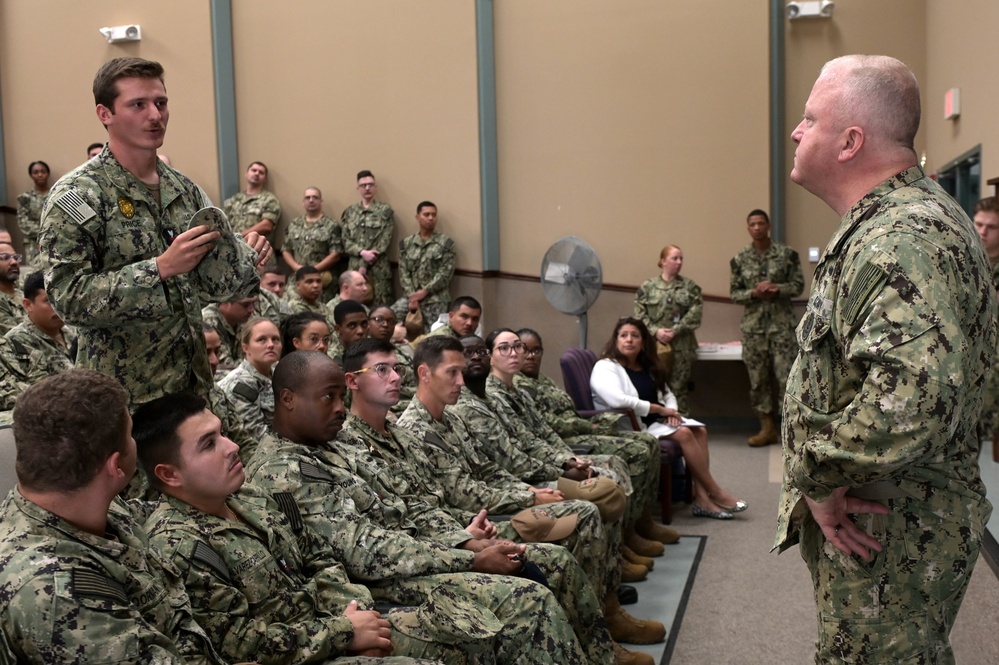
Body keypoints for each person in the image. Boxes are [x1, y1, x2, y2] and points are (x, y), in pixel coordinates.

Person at [775, 54, 998, 664]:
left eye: (809, 119)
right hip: (884, 517)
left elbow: (910, 405)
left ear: (850, 141)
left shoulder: (903, 238)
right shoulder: (890, 225)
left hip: (893, 527)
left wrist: (814, 475)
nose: (796, 131)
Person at [245, 350, 604, 665]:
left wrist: (464, 541)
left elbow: (403, 508)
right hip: (371, 585)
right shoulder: (283, 470)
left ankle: (598, 653)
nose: (340, 407)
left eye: (341, 396)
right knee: (528, 600)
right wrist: (468, 557)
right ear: (288, 399)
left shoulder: (328, 445)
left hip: (414, 557)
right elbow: (364, 551)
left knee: (548, 565)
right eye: (328, 397)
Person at [133, 393, 496, 664]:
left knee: (476, 637)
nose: (231, 447)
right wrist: (341, 635)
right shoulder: (178, 544)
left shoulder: (251, 496)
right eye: (209, 444)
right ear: (169, 474)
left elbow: (316, 556)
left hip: (341, 621)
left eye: (223, 434)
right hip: (303, 653)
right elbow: (236, 642)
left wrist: (353, 614)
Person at [39, 57, 269, 406]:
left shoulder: (185, 190)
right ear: (105, 114)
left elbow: (213, 288)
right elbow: (68, 299)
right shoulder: (78, 195)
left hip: (190, 387)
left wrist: (245, 261)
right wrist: (159, 269)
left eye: (161, 103)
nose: (155, 115)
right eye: (138, 105)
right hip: (125, 397)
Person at [0, 370, 225, 663]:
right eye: (131, 434)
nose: (135, 442)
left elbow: (146, 515)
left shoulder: (83, 500)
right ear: (116, 466)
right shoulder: (57, 593)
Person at [515, 327, 674, 548]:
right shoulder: (518, 384)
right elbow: (550, 424)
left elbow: (567, 412)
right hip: (567, 439)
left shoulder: (542, 379)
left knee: (649, 442)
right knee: (637, 450)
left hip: (575, 431)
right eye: (524, 350)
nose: (531, 356)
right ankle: (626, 534)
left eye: (536, 350)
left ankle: (641, 519)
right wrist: (592, 425)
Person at [591, 317, 746, 520]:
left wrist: (672, 411)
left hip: (654, 423)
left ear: (643, 341)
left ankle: (702, 498)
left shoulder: (647, 365)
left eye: (635, 336)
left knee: (700, 431)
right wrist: (660, 410)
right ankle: (716, 492)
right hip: (629, 426)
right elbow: (618, 399)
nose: (629, 340)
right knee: (684, 434)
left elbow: (668, 394)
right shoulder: (606, 366)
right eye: (623, 335)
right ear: (616, 340)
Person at [729, 209, 804, 447]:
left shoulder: (787, 255)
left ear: (768, 225)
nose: (757, 227)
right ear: (748, 228)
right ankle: (766, 428)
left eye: (761, 223)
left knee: (787, 379)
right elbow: (735, 293)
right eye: (752, 224)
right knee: (757, 380)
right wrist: (753, 292)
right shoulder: (739, 259)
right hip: (754, 329)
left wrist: (777, 289)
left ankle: (789, 428)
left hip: (782, 327)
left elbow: (798, 285)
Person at [634, 244, 702, 413]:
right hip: (655, 347)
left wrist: (676, 330)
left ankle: (683, 425)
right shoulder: (648, 287)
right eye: (674, 258)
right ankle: (658, 425)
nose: (679, 262)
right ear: (663, 261)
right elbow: (639, 314)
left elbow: (696, 313)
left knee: (680, 388)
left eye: (681, 259)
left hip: (682, 347)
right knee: (655, 386)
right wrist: (655, 331)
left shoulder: (690, 287)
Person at [2, 271, 75, 390]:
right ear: (28, 304)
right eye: (49, 301)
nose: (60, 307)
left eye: (63, 299)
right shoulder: (15, 343)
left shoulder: (74, 332)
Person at [218, 316, 281, 447]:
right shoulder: (240, 384)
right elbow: (255, 437)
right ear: (246, 348)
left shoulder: (280, 371)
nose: (270, 345)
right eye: (261, 340)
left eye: (275, 339)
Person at [393, 201, 455, 332]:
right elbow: (403, 271)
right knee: (390, 316)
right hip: (410, 296)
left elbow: (444, 274)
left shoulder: (445, 244)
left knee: (434, 333)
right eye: (426, 215)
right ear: (417, 217)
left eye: (434, 215)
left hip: (435, 298)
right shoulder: (406, 244)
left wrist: (424, 291)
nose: (431, 218)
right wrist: (412, 296)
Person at [340, 170, 395, 306]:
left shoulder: (385, 211)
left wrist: (365, 263)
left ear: (375, 187)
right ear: (358, 188)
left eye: (370, 185)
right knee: (355, 306)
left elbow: (384, 240)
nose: (367, 188)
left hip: (378, 268)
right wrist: (362, 252)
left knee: (380, 307)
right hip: (354, 267)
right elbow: (345, 240)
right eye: (363, 185)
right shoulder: (350, 212)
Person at [972, 196, 999, 450]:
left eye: (991, 227)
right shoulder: (965, 263)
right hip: (969, 379)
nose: (983, 232)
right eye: (979, 224)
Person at [282, 187, 342, 297]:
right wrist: (296, 268)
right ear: (303, 202)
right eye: (307, 198)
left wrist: (312, 271)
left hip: (320, 280)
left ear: (321, 201)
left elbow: (335, 254)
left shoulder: (331, 225)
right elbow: (286, 249)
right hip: (296, 278)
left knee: (318, 312)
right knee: (288, 308)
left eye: (315, 197)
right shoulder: (294, 224)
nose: (311, 200)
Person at [223, 161, 282, 238]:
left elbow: (266, 226)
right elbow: (223, 221)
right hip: (232, 247)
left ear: (265, 179)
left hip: (255, 247)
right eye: (254, 170)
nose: (257, 173)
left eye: (261, 172)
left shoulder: (270, 200)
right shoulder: (234, 199)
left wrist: (239, 237)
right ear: (246, 174)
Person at [201, 296, 257, 372]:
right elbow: (223, 365)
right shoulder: (209, 320)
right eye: (245, 305)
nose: (251, 309)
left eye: (253, 303)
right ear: (225, 302)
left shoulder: (244, 318)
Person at [16, 160, 51, 266]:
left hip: (54, 240)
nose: (40, 175)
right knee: (34, 273)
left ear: (48, 174)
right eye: (35, 172)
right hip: (33, 242)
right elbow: (24, 224)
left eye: (43, 171)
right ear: (31, 175)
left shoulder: (55, 195)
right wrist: (45, 231)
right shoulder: (24, 198)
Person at [416, 296, 482, 344]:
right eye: (464, 317)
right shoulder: (439, 340)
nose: (469, 323)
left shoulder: (472, 340)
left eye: (475, 319)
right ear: (451, 316)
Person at [0, 243, 25, 335]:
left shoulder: (23, 293)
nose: (14, 262)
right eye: (5, 257)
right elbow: (17, 337)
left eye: (15, 257)